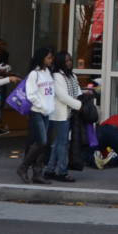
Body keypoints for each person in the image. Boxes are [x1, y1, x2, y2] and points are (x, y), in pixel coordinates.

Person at [16, 48, 56, 184]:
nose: (51, 60)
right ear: (42, 58)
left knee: (43, 144)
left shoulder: (48, 72)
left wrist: (49, 107)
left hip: (47, 112)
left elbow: (50, 92)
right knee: (42, 141)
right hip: (37, 112)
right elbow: (31, 94)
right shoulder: (34, 74)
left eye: (51, 58)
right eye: (48, 58)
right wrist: (42, 106)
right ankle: (23, 167)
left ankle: (37, 173)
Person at [43, 55, 80, 183]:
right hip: (60, 115)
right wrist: (79, 105)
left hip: (70, 114)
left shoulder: (72, 76)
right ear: (60, 62)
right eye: (66, 61)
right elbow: (62, 96)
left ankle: (49, 170)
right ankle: (62, 172)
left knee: (58, 143)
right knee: (62, 144)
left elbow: (78, 92)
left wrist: (85, 95)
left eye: (70, 60)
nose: (69, 62)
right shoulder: (57, 76)